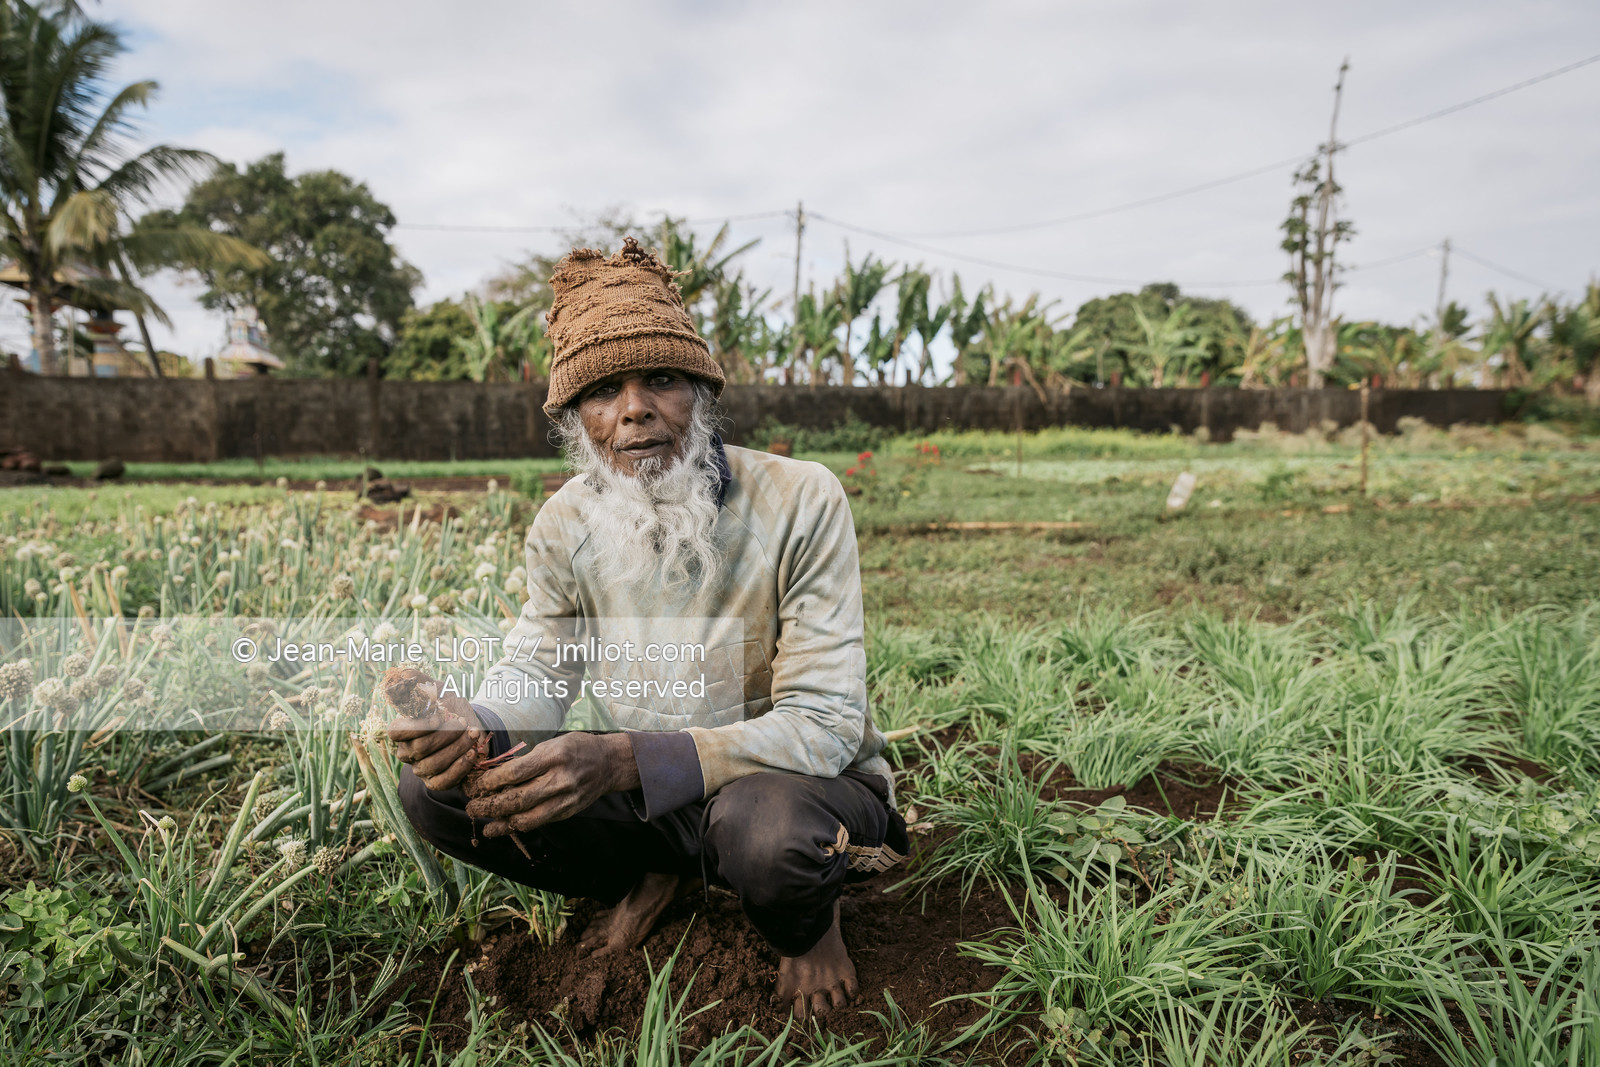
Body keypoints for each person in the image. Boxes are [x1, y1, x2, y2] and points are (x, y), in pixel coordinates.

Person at [391, 237, 905, 1020]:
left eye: (660, 379)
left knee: (765, 835)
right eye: (603, 391)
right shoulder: (562, 525)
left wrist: (626, 759)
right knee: (439, 793)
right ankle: (663, 869)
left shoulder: (801, 498)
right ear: (576, 420)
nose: (634, 408)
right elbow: (536, 672)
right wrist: (476, 726)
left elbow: (826, 726)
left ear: (699, 392)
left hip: (799, 790)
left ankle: (808, 921)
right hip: (656, 795)